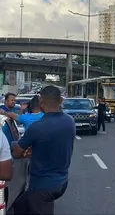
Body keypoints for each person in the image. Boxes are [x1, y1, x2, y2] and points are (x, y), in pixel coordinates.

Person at [11, 85, 75, 215]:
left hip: (42, 186)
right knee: (20, 206)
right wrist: (35, 151)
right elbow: (55, 145)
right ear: (61, 101)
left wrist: (17, 147)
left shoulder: (37, 127)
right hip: (62, 182)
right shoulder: (70, 121)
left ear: (41, 102)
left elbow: (16, 153)